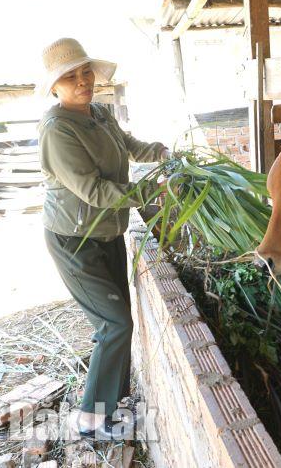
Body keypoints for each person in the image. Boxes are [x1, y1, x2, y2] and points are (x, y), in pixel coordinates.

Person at [35, 38, 167, 439]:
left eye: (85, 73)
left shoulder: (102, 115)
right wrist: (149, 193)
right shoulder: (58, 131)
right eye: (70, 77)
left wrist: (161, 153)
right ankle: (90, 420)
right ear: (55, 87)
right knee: (114, 324)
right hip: (74, 241)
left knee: (117, 320)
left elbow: (129, 147)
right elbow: (92, 191)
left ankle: (110, 407)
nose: (82, 82)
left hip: (107, 233)